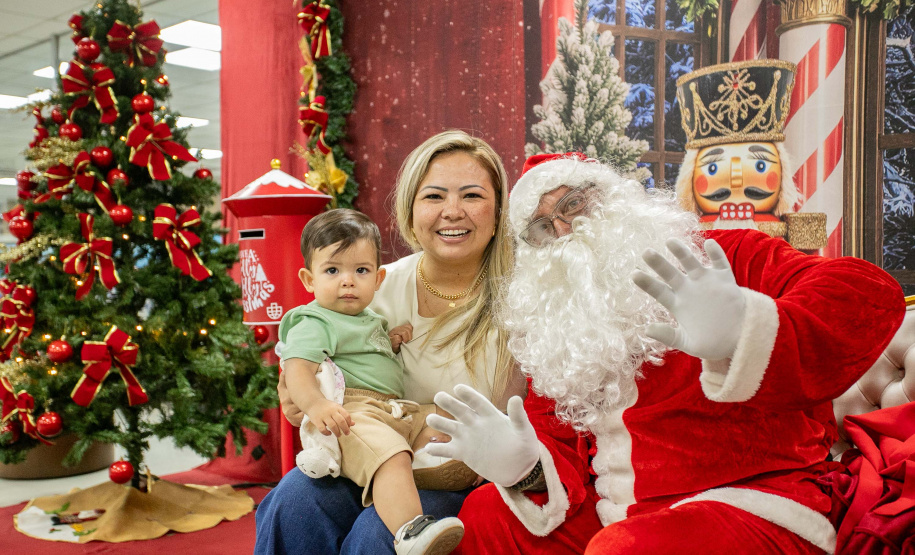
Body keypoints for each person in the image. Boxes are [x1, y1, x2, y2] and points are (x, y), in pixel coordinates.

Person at [424, 153, 905, 554]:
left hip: (753, 499)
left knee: (626, 548)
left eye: (574, 202)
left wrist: (742, 326)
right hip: (618, 512)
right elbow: (557, 435)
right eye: (542, 227)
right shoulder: (560, 321)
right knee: (485, 517)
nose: (566, 227)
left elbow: (867, 292)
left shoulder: (717, 256)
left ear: (614, 197)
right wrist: (526, 469)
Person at [254, 130, 524, 555]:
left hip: (460, 472)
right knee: (294, 503)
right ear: (411, 211)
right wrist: (300, 395)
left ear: (498, 211)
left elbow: (530, 421)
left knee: (376, 538)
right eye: (434, 196)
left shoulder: (523, 297)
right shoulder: (371, 284)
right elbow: (308, 365)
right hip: (366, 448)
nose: (452, 212)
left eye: (471, 196)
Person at [279, 208, 464, 554]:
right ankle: (410, 531)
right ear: (309, 279)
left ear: (378, 280)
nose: (348, 280)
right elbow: (297, 370)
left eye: (360, 270)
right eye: (332, 270)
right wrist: (317, 405)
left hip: (395, 409)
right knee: (390, 455)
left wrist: (391, 341)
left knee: (443, 417)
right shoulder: (314, 320)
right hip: (353, 411)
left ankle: (443, 470)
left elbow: (367, 356)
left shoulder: (369, 318)